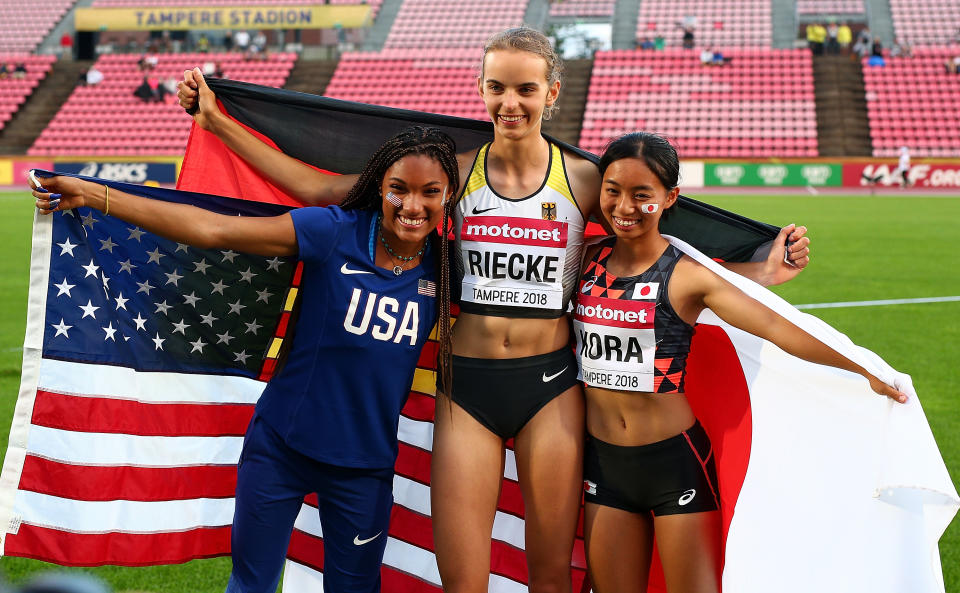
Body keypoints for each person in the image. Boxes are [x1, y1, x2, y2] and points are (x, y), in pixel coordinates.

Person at [177, 26, 811, 593]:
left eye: (526, 90)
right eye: (498, 88)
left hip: (551, 388)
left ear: (552, 92)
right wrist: (218, 122)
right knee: (464, 575)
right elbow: (320, 190)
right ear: (480, 89)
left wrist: (759, 268)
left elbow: (660, 250)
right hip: (469, 386)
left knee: (549, 574)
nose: (511, 103)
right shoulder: (452, 173)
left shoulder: (585, 180)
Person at [31, 125, 459, 593]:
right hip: (280, 449)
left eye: (429, 193)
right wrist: (93, 195)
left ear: (449, 195)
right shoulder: (334, 231)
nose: (412, 206)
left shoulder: (447, 266)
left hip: (365, 467)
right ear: (380, 186)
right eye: (399, 188)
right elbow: (213, 230)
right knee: (250, 585)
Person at [576, 132, 907, 593]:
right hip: (604, 466)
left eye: (641, 195)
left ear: (670, 198)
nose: (624, 206)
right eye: (612, 190)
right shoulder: (582, 263)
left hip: (675, 466)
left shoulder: (687, 275)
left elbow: (776, 327)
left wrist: (860, 368)